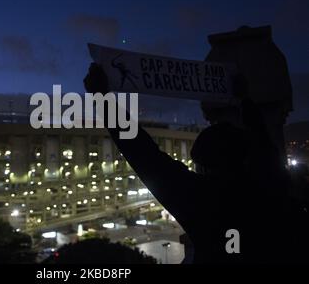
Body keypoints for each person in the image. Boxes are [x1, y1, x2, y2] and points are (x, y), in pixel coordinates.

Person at [84, 63, 308, 264]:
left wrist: (103, 98)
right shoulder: (270, 182)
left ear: (204, 168)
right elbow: (264, 142)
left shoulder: (204, 199)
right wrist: (245, 100)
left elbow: (144, 154)